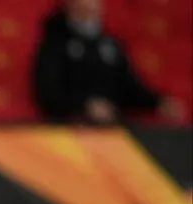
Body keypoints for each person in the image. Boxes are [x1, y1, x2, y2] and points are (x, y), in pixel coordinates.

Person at [33, 0, 184, 124]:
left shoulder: (110, 44)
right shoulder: (55, 44)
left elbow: (130, 86)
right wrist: (85, 106)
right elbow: (48, 93)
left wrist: (158, 102)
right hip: (71, 130)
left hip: (112, 130)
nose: (90, 6)